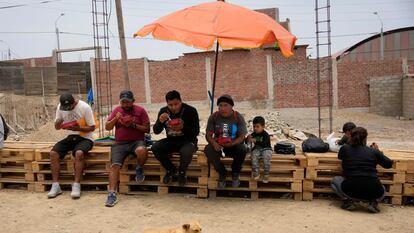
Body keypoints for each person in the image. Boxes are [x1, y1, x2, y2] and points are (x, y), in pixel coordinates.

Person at [104, 90, 150, 207]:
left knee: (142, 150)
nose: (125, 105)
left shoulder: (140, 111)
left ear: (133, 101)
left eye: (127, 102)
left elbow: (147, 129)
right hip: (120, 143)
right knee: (114, 165)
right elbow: (107, 127)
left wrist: (133, 125)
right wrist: (115, 119)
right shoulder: (117, 110)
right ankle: (112, 193)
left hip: (137, 141)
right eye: (123, 102)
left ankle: (139, 168)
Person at [331, 127, 393, 213]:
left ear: (351, 137)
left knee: (335, 180)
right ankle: (373, 203)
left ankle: (348, 201)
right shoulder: (373, 151)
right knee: (382, 187)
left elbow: (340, 156)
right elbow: (389, 164)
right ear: (365, 138)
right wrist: (378, 152)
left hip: (350, 188)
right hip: (374, 190)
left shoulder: (345, 149)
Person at [47, 93, 96, 199]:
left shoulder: (85, 107)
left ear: (74, 102)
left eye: (70, 107)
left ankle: (76, 185)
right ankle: (55, 185)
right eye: (66, 108)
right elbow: (57, 127)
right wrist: (58, 123)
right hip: (70, 137)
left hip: (85, 138)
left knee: (79, 153)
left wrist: (78, 129)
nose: (68, 109)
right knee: (53, 153)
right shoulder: (60, 107)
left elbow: (92, 128)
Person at [152, 90, 200, 186]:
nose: (174, 107)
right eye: (170, 105)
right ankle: (170, 169)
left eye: (176, 104)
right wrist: (159, 122)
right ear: (167, 104)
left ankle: (182, 172)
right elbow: (156, 131)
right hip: (171, 140)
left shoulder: (190, 110)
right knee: (155, 147)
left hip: (188, 140)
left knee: (186, 151)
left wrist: (183, 128)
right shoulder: (163, 111)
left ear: (180, 101)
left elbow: (196, 131)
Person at [204, 94, 247, 188]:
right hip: (219, 146)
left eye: (225, 105)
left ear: (231, 106)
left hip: (233, 145)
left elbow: (242, 136)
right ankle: (222, 172)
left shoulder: (237, 117)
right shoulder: (214, 117)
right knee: (208, 149)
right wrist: (214, 143)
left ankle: (235, 172)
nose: (222, 108)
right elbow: (208, 135)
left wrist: (232, 143)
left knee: (242, 149)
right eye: (220, 105)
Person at [246, 116, 272, 183]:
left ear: (263, 127)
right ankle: (256, 173)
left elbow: (264, 143)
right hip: (257, 149)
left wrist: (255, 141)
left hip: (266, 148)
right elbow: (247, 142)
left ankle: (266, 174)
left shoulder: (265, 135)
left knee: (266, 157)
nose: (255, 128)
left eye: (257, 126)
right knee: (253, 156)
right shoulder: (253, 134)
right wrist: (247, 139)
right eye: (254, 126)